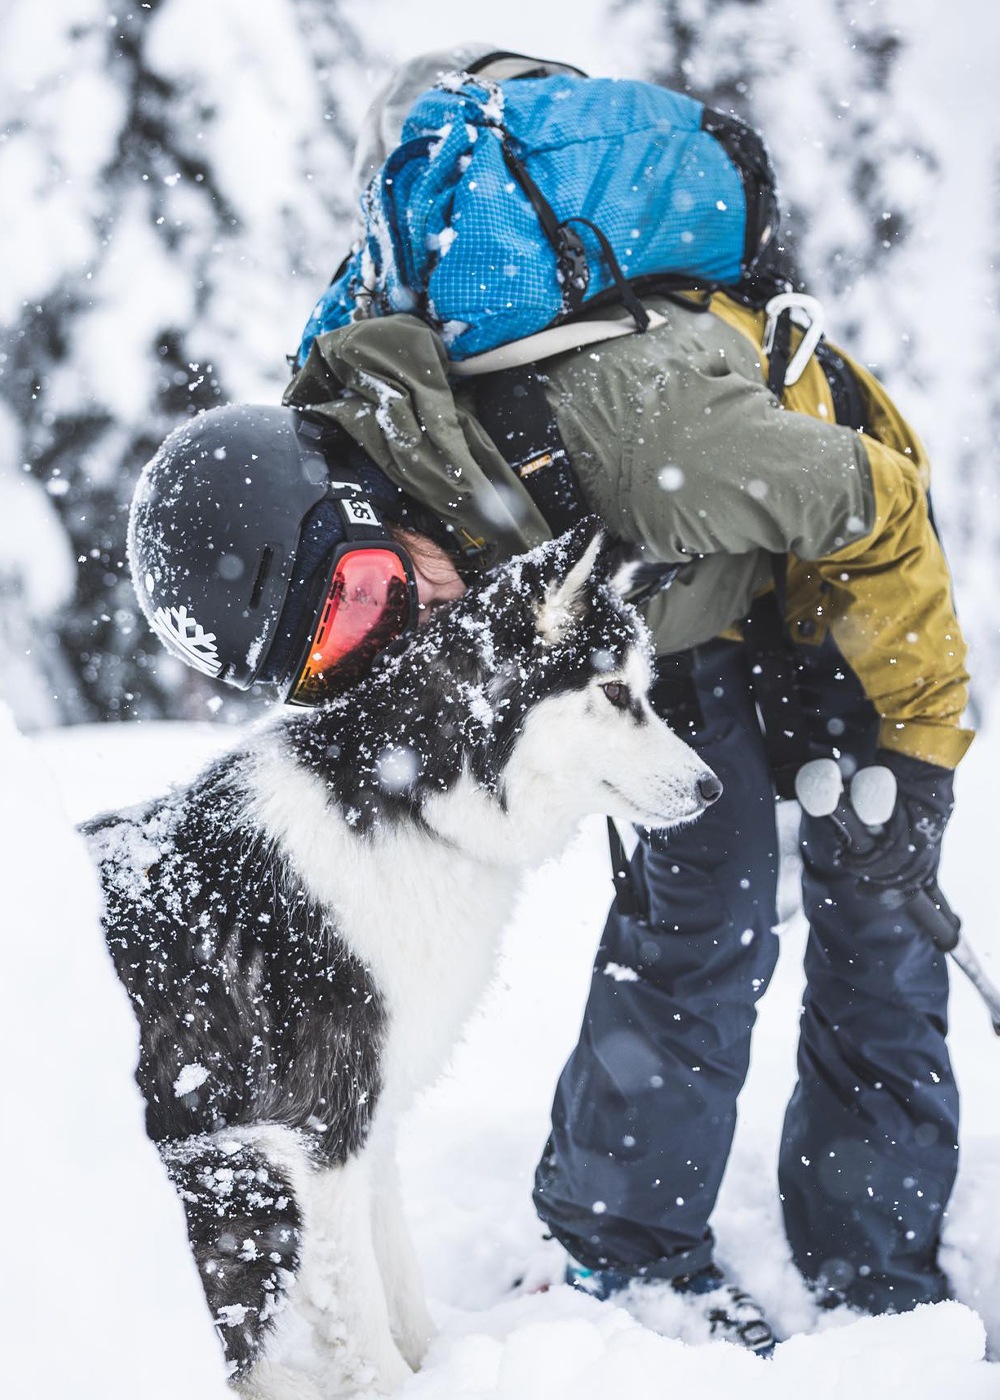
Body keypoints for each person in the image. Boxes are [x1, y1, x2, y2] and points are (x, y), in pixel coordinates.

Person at [128, 50, 971, 1357]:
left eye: (363, 599)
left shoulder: (636, 443)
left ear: (362, 513)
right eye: (334, 650)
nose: (385, 647)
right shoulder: (346, 461)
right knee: (707, 905)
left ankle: (878, 1280)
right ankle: (625, 1251)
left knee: (877, 910)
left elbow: (883, 508)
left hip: (809, 554)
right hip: (633, 606)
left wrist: (910, 757)